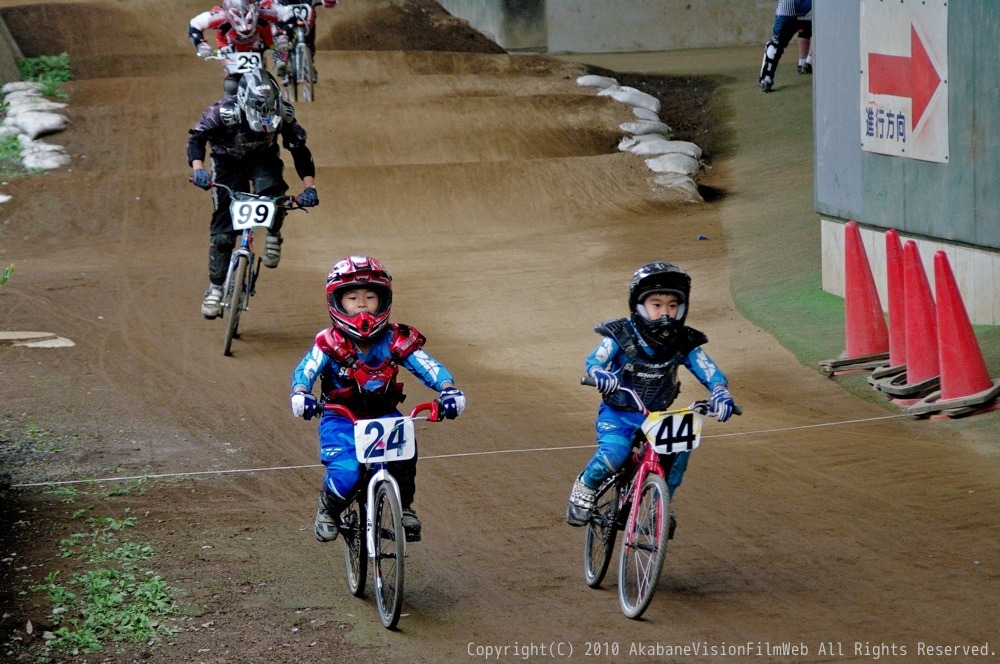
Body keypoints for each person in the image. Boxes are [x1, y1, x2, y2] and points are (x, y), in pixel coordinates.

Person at [289, 255, 466, 543]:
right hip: (340, 417)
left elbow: (427, 365)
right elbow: (306, 370)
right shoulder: (328, 343)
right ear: (336, 302)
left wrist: (447, 389)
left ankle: (404, 506)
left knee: (404, 454)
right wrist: (301, 394)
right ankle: (328, 508)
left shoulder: (397, 338)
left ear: (383, 300)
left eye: (370, 296)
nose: (362, 304)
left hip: (384, 413)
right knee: (347, 474)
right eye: (352, 297)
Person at [565, 262, 736, 537]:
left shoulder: (684, 340)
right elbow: (595, 358)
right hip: (618, 413)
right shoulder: (620, 334)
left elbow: (708, 369)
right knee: (615, 454)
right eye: (657, 304)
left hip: (656, 417)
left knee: (680, 451)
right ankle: (585, 485)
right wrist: (598, 372)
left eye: (672, 305)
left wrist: (720, 391)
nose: (665, 313)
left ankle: (661, 505)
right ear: (639, 305)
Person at [187, 67, 318, 319]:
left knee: (274, 194)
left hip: (263, 161)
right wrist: (199, 168)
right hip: (226, 162)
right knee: (224, 235)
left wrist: (309, 186)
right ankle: (215, 288)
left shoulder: (286, 114)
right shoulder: (220, 113)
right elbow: (196, 139)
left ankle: (273, 232)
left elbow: (299, 149)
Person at [189, 0, 293, 95]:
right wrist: (201, 44)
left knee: (266, 86)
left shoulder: (264, 12)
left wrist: (283, 36)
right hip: (230, 49)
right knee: (231, 86)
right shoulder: (220, 16)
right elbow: (195, 24)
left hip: (258, 48)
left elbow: (288, 13)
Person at [759, 0, 813, 93]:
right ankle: (808, 61)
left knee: (775, 43)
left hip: (787, 6)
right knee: (817, 31)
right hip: (810, 7)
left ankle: (766, 80)